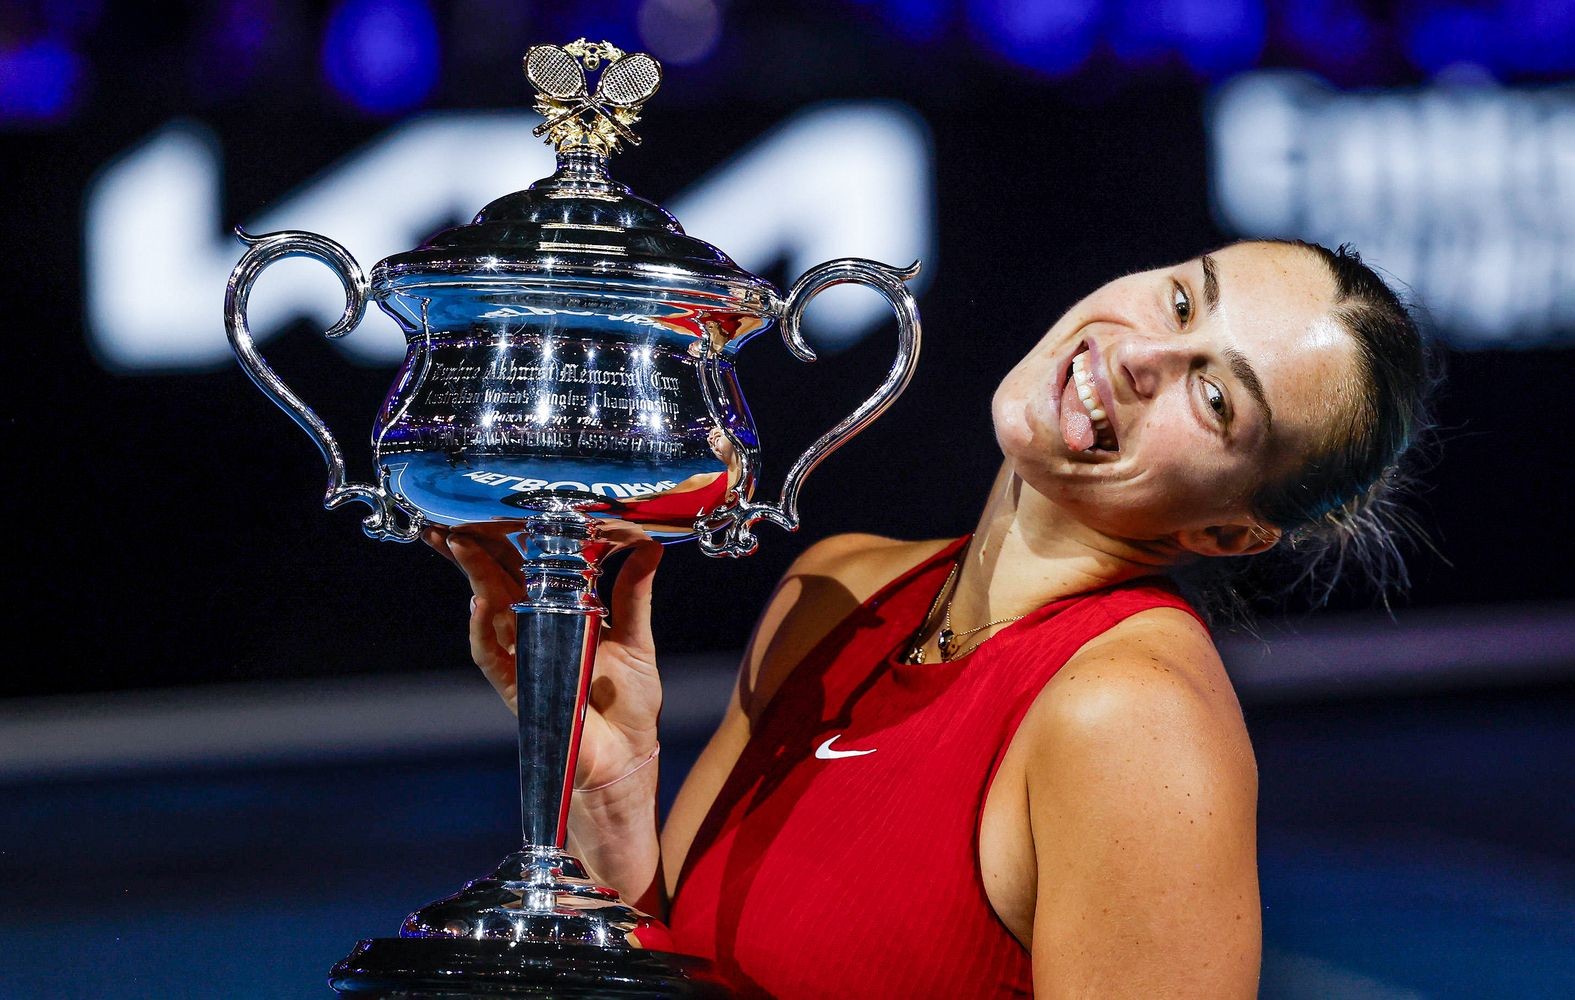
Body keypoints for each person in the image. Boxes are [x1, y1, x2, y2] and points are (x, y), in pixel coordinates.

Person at [423, 239, 1431, 998]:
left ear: (1227, 532)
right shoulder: (838, 590)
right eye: (1181, 298)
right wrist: (610, 794)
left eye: (1214, 397)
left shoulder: (1131, 718)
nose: (1144, 355)